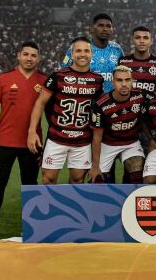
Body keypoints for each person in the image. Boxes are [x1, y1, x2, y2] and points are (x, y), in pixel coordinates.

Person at [0, 41, 46, 243]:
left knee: (30, 185)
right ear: (18, 56)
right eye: (25, 54)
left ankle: (31, 228)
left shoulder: (43, 81)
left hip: (31, 144)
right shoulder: (4, 79)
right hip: (4, 142)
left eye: (33, 55)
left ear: (39, 59)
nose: (29, 58)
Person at [28, 37, 104, 184]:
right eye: (78, 51)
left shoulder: (98, 80)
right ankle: (49, 207)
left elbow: (99, 111)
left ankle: (71, 207)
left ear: (92, 54)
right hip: (57, 139)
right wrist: (32, 132)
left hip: (82, 141)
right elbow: (40, 103)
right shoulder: (57, 76)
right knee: (48, 179)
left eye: (86, 51)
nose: (82, 54)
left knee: (77, 180)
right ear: (72, 53)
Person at [88, 66, 146, 184]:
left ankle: (128, 199)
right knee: (97, 179)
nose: (124, 84)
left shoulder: (141, 96)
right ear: (112, 82)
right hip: (108, 143)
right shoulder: (101, 105)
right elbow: (96, 138)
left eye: (127, 80)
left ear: (132, 81)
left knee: (137, 170)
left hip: (131, 143)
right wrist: (95, 166)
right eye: (119, 80)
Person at [63, 13, 123, 93]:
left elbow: (123, 73)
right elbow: (63, 69)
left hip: (110, 101)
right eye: (101, 25)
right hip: (85, 97)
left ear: (112, 29)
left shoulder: (117, 49)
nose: (105, 29)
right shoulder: (79, 47)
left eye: (108, 26)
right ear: (92, 28)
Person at [118, 25, 156, 100]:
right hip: (129, 108)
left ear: (151, 41)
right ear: (132, 40)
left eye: (145, 38)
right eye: (138, 37)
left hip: (152, 108)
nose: (141, 41)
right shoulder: (123, 61)